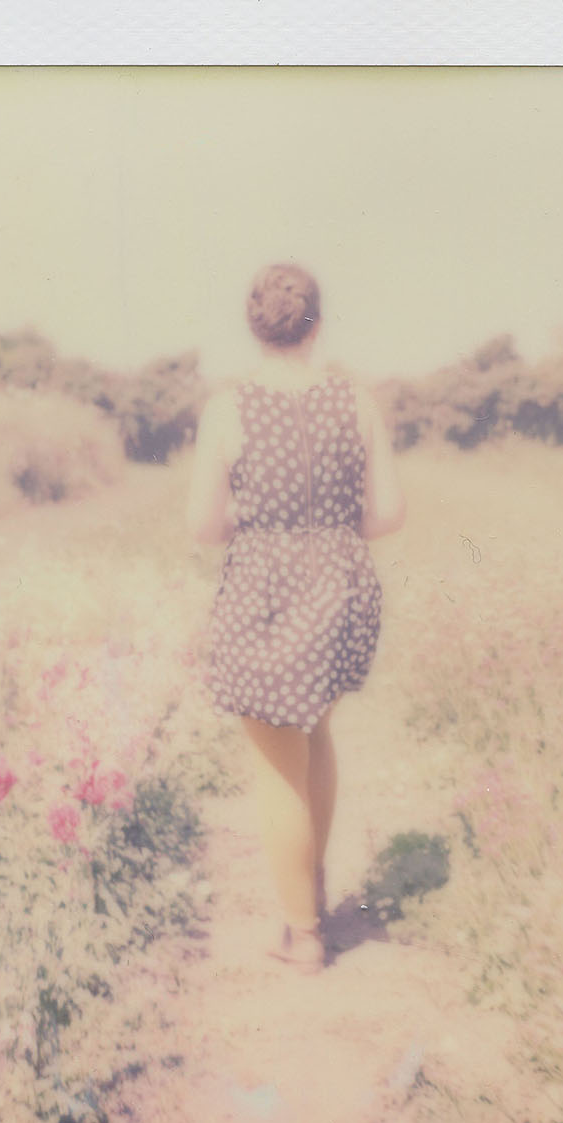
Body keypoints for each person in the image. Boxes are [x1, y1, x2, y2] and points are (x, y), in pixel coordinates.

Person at [187, 263, 407, 973]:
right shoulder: (356, 402)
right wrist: (332, 531)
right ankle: (309, 891)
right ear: (316, 326)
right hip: (345, 586)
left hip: (266, 592)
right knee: (315, 732)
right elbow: (390, 513)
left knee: (277, 760)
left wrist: (260, 527)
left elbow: (204, 525)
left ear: (255, 329)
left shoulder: (230, 407)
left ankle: (302, 933)